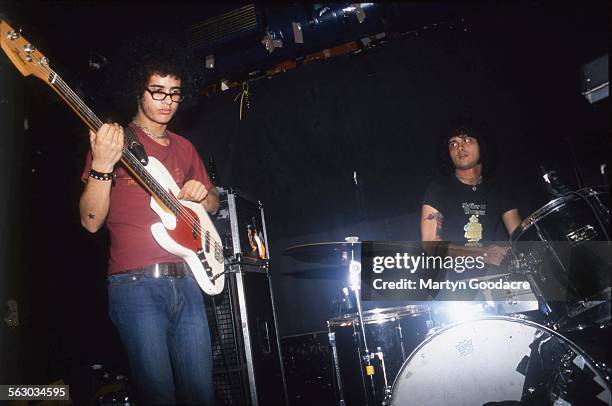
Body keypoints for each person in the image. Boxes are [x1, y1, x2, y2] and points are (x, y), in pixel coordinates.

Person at [78, 40, 218, 405]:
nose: (167, 101)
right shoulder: (115, 140)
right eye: (157, 91)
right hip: (134, 286)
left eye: (174, 93)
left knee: (202, 394)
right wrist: (102, 167)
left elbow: (215, 204)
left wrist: (203, 194)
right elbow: (91, 221)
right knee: (158, 395)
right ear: (137, 89)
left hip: (188, 282)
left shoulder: (185, 148)